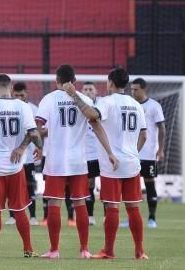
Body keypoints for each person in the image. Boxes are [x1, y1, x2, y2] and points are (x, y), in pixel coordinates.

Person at [34, 64, 118, 259]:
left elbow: (36, 126)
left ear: (56, 81)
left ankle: (54, 250)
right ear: (75, 81)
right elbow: (97, 126)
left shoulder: (49, 99)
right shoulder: (85, 100)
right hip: (79, 160)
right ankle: (84, 250)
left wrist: (38, 146)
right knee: (80, 202)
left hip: (55, 160)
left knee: (54, 203)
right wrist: (109, 152)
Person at [0, 74, 43, 258]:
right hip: (16, 165)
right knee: (20, 208)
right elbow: (32, 132)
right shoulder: (22, 106)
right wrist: (30, 147)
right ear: (11, 86)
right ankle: (28, 249)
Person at [92, 68, 149, 260]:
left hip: (112, 163)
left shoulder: (106, 102)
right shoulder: (136, 104)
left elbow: (93, 117)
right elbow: (144, 135)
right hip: (132, 161)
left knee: (112, 207)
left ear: (110, 83)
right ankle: (140, 251)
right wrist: (134, 152)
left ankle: (108, 251)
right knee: (133, 207)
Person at [131, 77, 165, 228]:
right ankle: (132, 218)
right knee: (131, 186)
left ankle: (152, 218)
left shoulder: (154, 106)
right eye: (132, 89)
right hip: (132, 153)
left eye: (136, 89)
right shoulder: (130, 104)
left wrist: (161, 149)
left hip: (149, 153)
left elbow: (162, 128)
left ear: (144, 89)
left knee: (149, 184)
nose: (133, 92)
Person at [10, 81, 40, 226]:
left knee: (29, 186)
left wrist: (38, 145)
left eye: (22, 95)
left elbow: (38, 131)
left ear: (26, 94)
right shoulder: (8, 108)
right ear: (12, 94)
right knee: (12, 188)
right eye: (16, 95)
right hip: (11, 157)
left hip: (27, 157)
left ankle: (33, 216)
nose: (19, 98)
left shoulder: (33, 109)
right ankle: (12, 216)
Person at [81, 81, 100, 225]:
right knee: (89, 183)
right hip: (87, 152)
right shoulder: (78, 106)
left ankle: (108, 216)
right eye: (85, 89)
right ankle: (90, 215)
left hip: (103, 152)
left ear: (96, 91)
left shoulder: (102, 106)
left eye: (90, 89)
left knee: (107, 184)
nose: (88, 91)